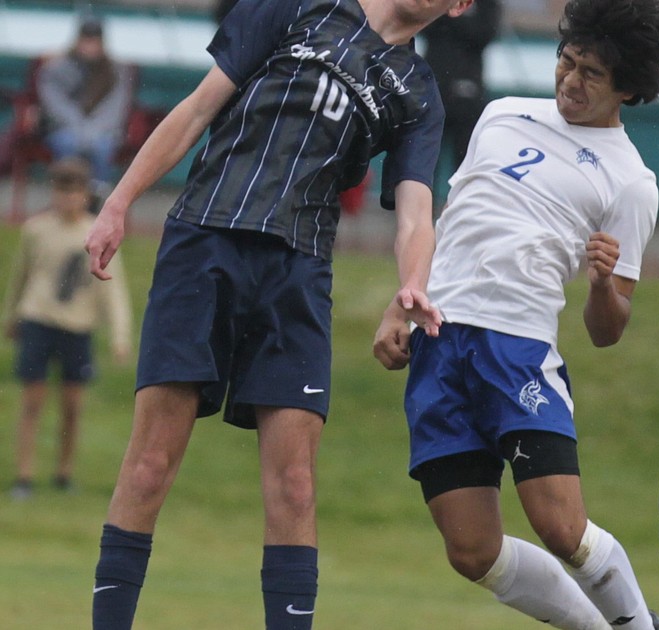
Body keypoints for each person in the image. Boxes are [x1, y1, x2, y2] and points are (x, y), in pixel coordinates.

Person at [82, 0, 471, 627]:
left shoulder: (418, 91)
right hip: (204, 239)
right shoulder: (301, 6)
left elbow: (416, 213)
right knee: (150, 463)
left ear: (460, 6)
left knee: (294, 486)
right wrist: (119, 201)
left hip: (298, 271)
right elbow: (197, 109)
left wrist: (412, 287)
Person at [373, 0, 659, 627]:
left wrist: (600, 285)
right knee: (471, 550)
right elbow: (452, 226)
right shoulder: (501, 114)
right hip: (438, 339)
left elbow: (608, 329)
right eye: (567, 62)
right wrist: (399, 304)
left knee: (561, 526)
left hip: (517, 352)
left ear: (628, 87)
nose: (570, 80)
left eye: (591, 73)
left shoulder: (631, 182)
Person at [2, 157, 131, 500]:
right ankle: (24, 476)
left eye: (73, 192)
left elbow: (113, 289)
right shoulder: (36, 229)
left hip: (78, 326)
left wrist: (120, 335)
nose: (66, 199)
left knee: (72, 407)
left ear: (85, 195)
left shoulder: (98, 231)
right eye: (60, 191)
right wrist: (11, 316)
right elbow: (21, 275)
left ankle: (63, 473)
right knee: (32, 401)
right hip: (39, 320)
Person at [37, 15, 135, 185]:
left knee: (102, 148)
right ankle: (66, 196)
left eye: (94, 41)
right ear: (77, 40)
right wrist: (79, 129)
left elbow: (115, 107)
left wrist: (93, 130)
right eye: (86, 41)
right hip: (63, 129)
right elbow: (54, 105)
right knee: (68, 144)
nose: (90, 47)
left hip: (103, 132)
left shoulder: (116, 71)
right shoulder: (56, 68)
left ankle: (97, 199)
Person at [422, 0, 501, 171]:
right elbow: (424, 23)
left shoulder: (487, 4)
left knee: (465, 162)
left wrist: (449, 16)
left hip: (468, 89)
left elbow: (486, 32)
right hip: (434, 85)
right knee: (425, 161)